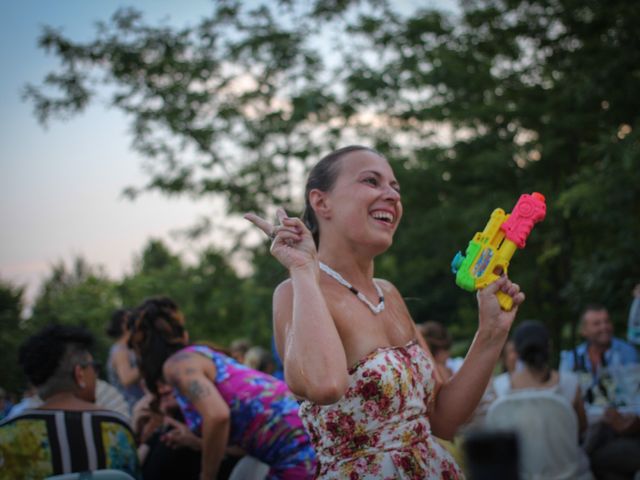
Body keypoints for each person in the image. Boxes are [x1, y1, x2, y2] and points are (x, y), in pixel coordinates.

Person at [245, 145, 525, 478]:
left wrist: (491, 332)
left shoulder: (388, 293)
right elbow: (324, 386)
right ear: (321, 202)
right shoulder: (295, 291)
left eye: (395, 187)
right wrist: (305, 269)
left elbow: (444, 421)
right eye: (371, 181)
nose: (391, 195)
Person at [128, 296, 317, 480]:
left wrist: (207, 476)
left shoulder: (177, 365)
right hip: (303, 438)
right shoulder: (197, 356)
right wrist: (198, 443)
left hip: (297, 448)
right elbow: (247, 437)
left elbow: (218, 416)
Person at [0, 324, 140, 479]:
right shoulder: (114, 429)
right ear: (79, 374)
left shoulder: (9, 433)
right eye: (94, 366)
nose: (95, 373)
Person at [560, 304, 639, 405]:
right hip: (584, 418)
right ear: (584, 331)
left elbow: (635, 395)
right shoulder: (571, 357)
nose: (604, 327)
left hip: (621, 416)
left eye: (607, 321)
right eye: (597, 324)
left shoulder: (627, 353)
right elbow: (565, 395)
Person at [106, 308, 144, 412]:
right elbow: (126, 379)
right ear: (123, 324)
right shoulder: (120, 350)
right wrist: (148, 362)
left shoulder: (129, 348)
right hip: (128, 407)